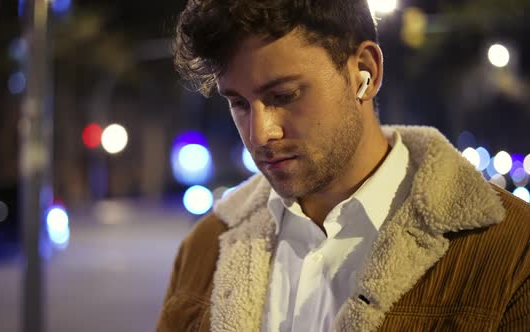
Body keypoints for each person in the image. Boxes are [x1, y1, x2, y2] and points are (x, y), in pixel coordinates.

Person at [157, 0, 530, 331]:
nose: (260, 134)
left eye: (284, 95)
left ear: (364, 72)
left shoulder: (512, 250)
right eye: (238, 103)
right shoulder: (205, 247)